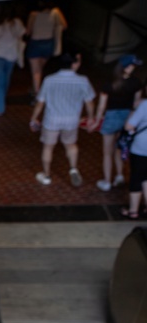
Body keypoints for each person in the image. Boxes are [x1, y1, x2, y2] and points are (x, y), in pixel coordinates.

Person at [29, 53, 97, 187]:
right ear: (74, 64)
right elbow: (89, 102)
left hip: (51, 120)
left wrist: (33, 118)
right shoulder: (83, 80)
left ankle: (47, 176)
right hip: (71, 120)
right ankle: (73, 168)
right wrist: (90, 118)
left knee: (48, 147)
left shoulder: (49, 80)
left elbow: (40, 102)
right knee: (70, 144)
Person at [94, 54, 144, 191]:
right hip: (127, 117)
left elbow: (101, 106)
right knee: (119, 148)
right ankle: (120, 175)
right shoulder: (136, 82)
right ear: (126, 67)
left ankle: (107, 181)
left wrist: (97, 120)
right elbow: (136, 104)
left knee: (107, 152)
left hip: (110, 117)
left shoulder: (109, 83)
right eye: (132, 65)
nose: (133, 68)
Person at [0, 7, 27, 116]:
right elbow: (23, 34)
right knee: (5, 81)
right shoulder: (17, 23)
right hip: (11, 56)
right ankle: (0, 103)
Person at [25, 0, 67, 97]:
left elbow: (28, 31)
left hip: (35, 43)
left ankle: (37, 94)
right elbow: (64, 25)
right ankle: (35, 87)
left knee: (36, 71)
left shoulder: (33, 14)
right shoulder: (55, 12)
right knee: (40, 68)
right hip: (48, 43)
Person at [121, 97, 147, 219]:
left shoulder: (144, 104)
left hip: (142, 147)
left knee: (137, 177)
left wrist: (134, 109)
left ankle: (133, 211)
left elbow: (128, 126)